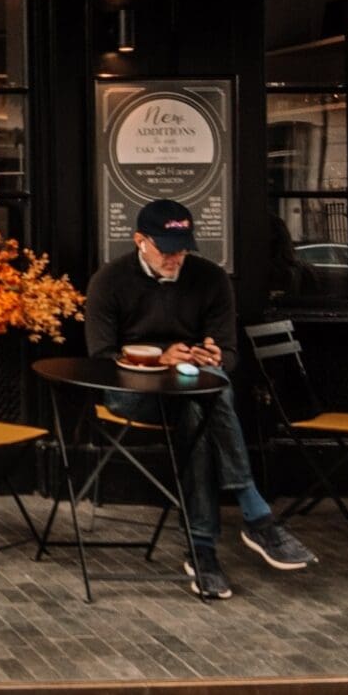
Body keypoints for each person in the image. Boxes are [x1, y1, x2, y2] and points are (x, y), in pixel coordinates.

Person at [85, 198, 316, 600]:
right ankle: (254, 514)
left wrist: (212, 355)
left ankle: (204, 552)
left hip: (195, 392)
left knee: (202, 404)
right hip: (131, 393)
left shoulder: (210, 279)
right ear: (140, 240)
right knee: (209, 397)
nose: (176, 257)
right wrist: (161, 358)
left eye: (183, 248)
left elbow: (228, 352)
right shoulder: (109, 280)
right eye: (165, 248)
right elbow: (102, 359)